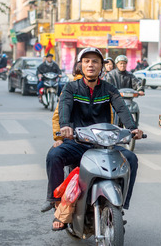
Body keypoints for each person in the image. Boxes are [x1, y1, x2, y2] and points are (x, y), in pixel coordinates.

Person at [42, 47, 143, 231]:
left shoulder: (109, 89)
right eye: (87, 61)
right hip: (78, 143)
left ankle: (121, 205)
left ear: (101, 66)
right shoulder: (71, 88)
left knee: (131, 159)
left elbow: (122, 108)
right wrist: (65, 127)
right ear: (81, 65)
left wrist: (132, 128)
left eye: (95, 61)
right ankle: (57, 204)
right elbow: (64, 107)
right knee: (54, 155)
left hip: (104, 145)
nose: (91, 64)